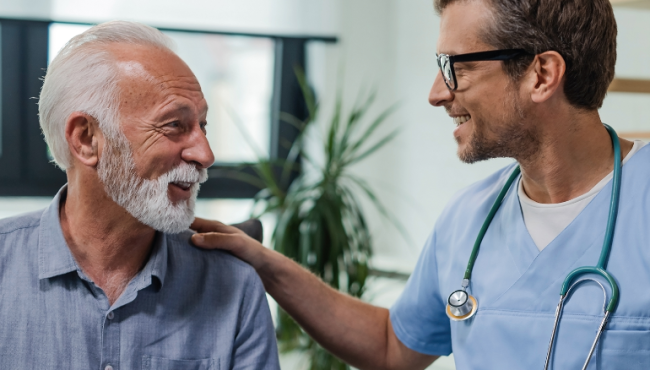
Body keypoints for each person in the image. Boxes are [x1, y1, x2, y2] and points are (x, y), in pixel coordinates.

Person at [190, 0, 650, 368]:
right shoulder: (469, 219)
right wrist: (264, 264)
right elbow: (393, 347)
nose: (436, 93)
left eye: (457, 67)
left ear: (541, 75)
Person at [0, 21, 279, 369]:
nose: (205, 154)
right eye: (174, 125)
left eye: (202, 125)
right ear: (86, 140)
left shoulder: (234, 287)